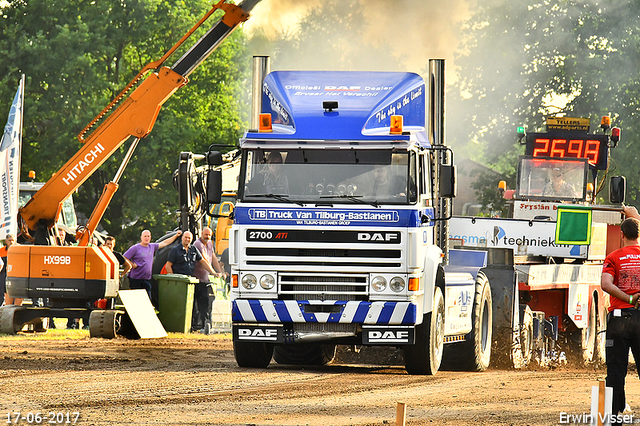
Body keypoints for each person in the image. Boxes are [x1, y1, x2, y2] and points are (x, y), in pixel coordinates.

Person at [601, 216, 640, 423]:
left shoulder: (613, 257)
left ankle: (613, 416)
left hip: (619, 318)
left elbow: (606, 285)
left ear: (622, 235)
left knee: (616, 370)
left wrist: (628, 298)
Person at [124, 229, 182, 301]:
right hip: (136, 279)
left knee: (148, 300)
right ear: (141, 237)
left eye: (148, 236)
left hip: (146, 279)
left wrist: (176, 236)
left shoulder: (152, 246)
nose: (146, 238)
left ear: (150, 237)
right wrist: (132, 264)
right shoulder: (135, 248)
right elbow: (124, 257)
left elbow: (165, 243)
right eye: (145, 236)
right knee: (137, 300)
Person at [192, 227, 225, 332]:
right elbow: (204, 260)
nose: (207, 237)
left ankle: (205, 324)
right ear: (201, 234)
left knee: (206, 301)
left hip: (205, 278)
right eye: (206, 234)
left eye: (209, 235)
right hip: (197, 279)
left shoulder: (210, 243)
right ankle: (198, 325)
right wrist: (213, 273)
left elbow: (213, 257)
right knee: (198, 302)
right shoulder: (198, 244)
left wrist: (220, 271)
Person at [0, 234, 21, 307]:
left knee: (18, 292)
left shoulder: (20, 250)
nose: (11, 242)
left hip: (16, 274)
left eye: (13, 240)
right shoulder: (1, 250)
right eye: (9, 240)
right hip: (4, 274)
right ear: (6, 241)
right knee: (3, 291)